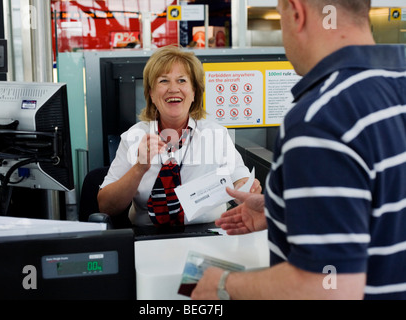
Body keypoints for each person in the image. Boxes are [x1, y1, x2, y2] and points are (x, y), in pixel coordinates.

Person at [192, 0, 406, 300]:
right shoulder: (397, 82)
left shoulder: (321, 117)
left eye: (280, 18)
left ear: (296, 12)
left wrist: (224, 284)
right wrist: (287, 210)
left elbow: (328, 288)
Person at [97, 45, 261, 227]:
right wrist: (139, 168)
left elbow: (240, 177)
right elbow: (106, 206)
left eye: (182, 80)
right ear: (151, 94)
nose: (173, 89)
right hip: (149, 238)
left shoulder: (215, 133)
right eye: (163, 81)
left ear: (194, 93)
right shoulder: (134, 137)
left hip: (208, 233)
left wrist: (246, 188)